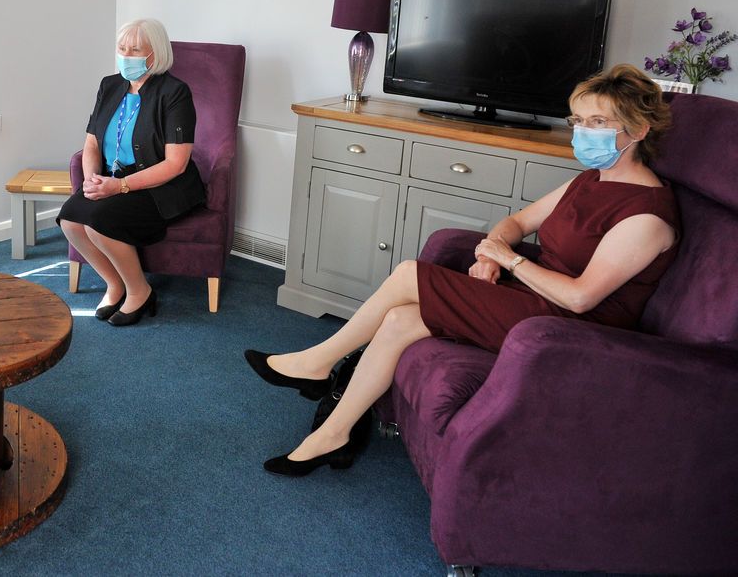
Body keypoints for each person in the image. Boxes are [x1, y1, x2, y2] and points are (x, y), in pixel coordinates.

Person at [246, 64, 679, 475]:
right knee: (399, 319)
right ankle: (333, 434)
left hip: (570, 330)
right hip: (532, 298)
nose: (585, 132)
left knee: (410, 274)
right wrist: (490, 255)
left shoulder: (648, 215)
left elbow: (580, 297)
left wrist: (508, 259)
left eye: (600, 123)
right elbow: (518, 221)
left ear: (639, 130)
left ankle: (317, 361)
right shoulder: (592, 179)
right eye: (579, 120)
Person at [57, 19, 206, 326]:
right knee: (71, 218)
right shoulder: (109, 85)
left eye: (135, 49)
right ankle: (115, 283)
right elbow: (92, 142)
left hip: (159, 186)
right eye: (122, 48)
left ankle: (140, 291)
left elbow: (175, 164)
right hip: (111, 179)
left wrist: (119, 186)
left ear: (156, 54)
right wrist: (89, 179)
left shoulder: (175, 93)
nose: (126, 55)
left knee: (101, 221)